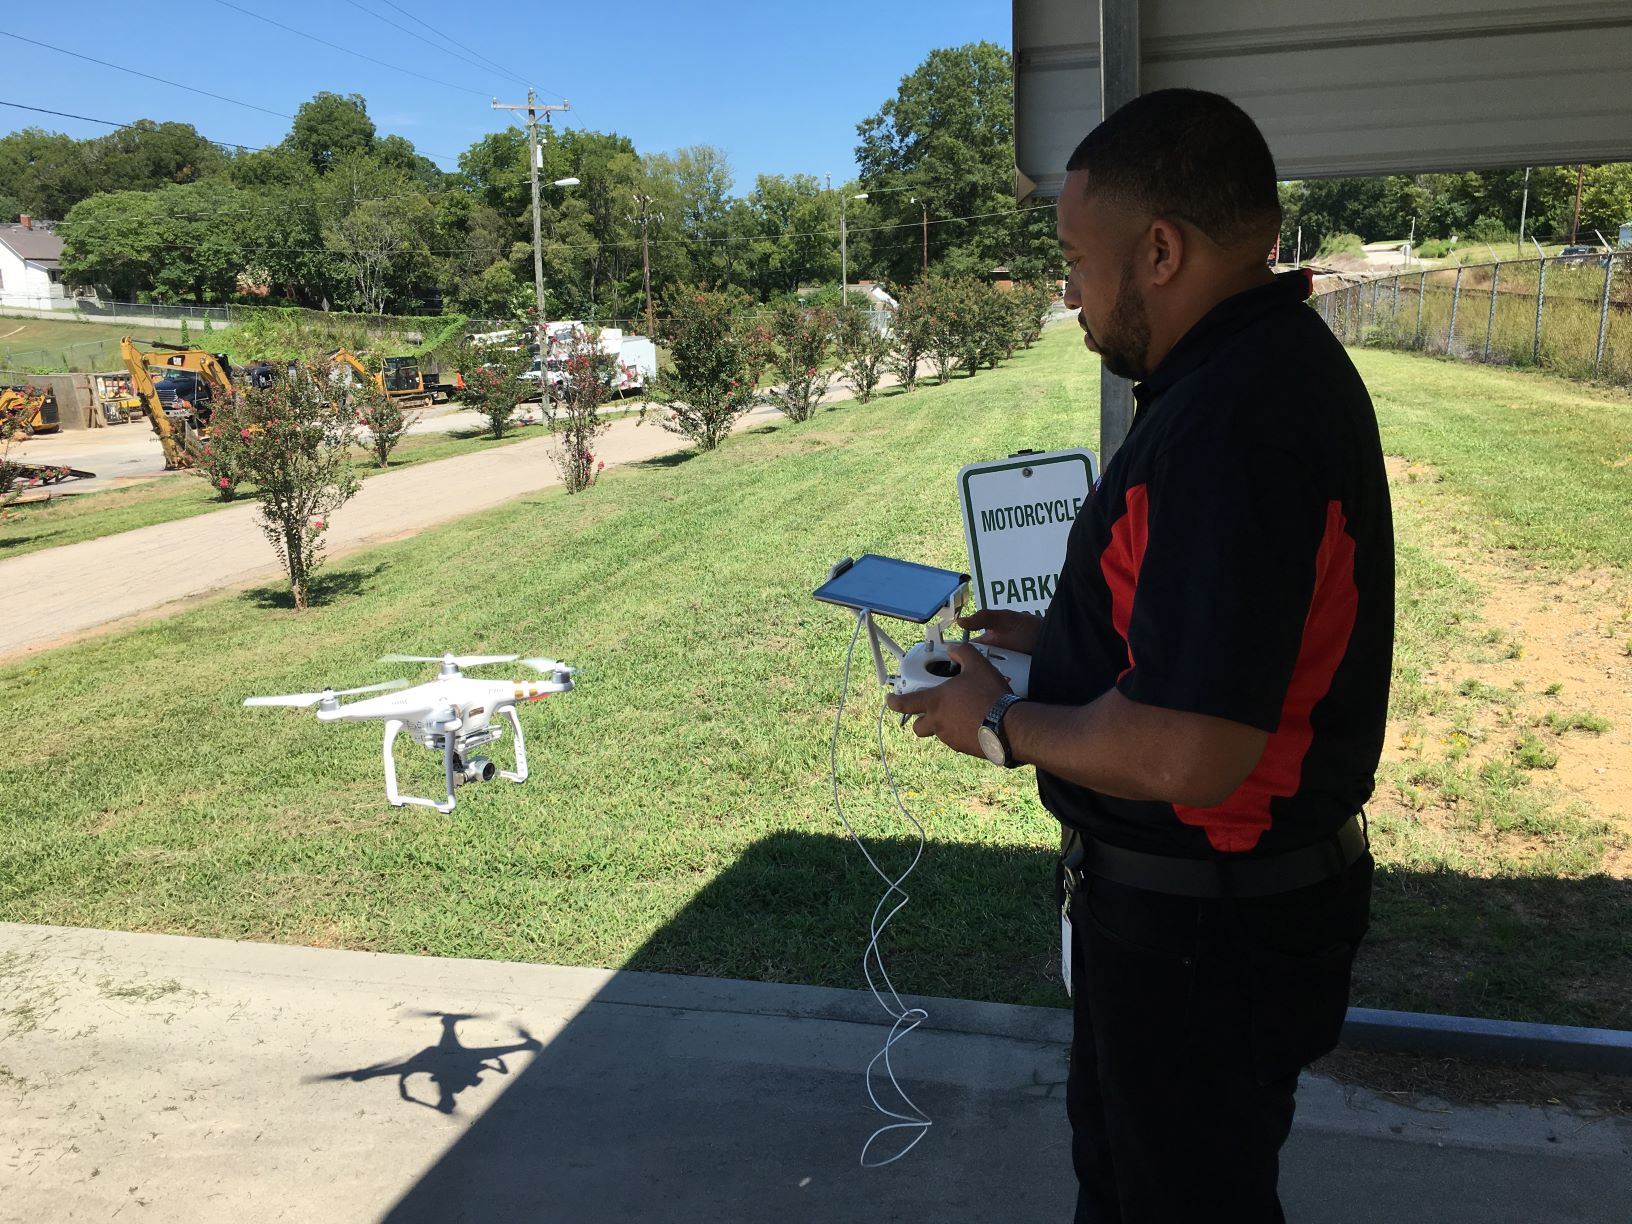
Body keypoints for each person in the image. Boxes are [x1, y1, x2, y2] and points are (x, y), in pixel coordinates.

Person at [885, 88, 1393, 1223]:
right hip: (1209, 923)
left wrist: (998, 723)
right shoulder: (1254, 372)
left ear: (1159, 251)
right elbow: (1210, 623)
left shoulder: (1231, 422)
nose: (1067, 295)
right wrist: (1057, 642)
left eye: (1076, 260)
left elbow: (1189, 750)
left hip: (1205, 936)